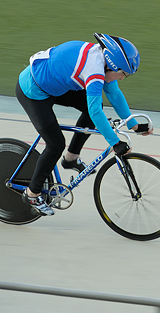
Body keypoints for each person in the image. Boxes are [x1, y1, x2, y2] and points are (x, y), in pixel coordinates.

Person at [15, 34, 152, 216]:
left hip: (56, 84)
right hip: (33, 91)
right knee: (55, 144)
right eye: (123, 74)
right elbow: (96, 112)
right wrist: (115, 142)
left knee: (93, 107)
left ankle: (71, 158)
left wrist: (134, 125)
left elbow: (115, 96)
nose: (122, 78)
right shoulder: (95, 71)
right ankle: (32, 194)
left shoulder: (103, 62)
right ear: (112, 66)